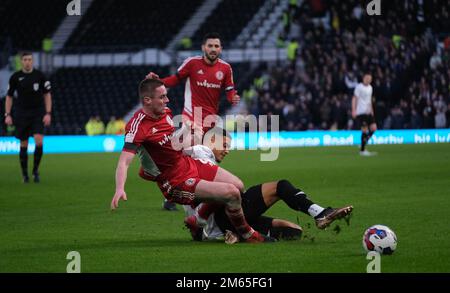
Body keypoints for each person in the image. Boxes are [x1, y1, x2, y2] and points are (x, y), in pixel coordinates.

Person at [110, 78, 272, 243]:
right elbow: (124, 161)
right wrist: (120, 188)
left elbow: (171, 143)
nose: (167, 100)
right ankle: (248, 234)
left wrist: (187, 130)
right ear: (147, 100)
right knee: (231, 193)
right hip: (175, 181)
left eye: (166, 96)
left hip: (187, 163)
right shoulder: (137, 127)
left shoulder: (165, 112)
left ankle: (198, 219)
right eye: (162, 97)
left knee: (238, 185)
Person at [182, 127, 354, 243]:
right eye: (225, 145)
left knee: (294, 231)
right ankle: (321, 213)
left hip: (216, 226)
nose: (227, 150)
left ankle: (236, 235)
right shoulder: (200, 153)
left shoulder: (198, 159)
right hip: (221, 218)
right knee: (281, 186)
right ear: (212, 139)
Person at [146, 32, 240, 211]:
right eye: (210, 45)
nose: (213, 49)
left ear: (221, 49)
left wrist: (232, 97)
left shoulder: (226, 68)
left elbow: (230, 90)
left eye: (216, 46)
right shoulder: (192, 63)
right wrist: (157, 82)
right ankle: (172, 198)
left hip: (211, 120)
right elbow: (174, 80)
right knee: (184, 157)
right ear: (203, 47)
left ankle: (203, 195)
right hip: (191, 118)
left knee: (210, 159)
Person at [4, 52, 52, 183]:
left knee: (39, 141)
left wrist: (48, 113)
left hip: (38, 112)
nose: (27, 62)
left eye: (29, 59)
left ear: (33, 61)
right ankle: (25, 174)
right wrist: (7, 114)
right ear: (21, 61)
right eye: (25, 59)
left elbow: (47, 94)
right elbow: (9, 96)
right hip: (21, 114)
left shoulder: (40, 76)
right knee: (23, 143)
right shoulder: (15, 77)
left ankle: (35, 171)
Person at [352, 73, 377, 156]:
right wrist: (353, 110)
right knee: (365, 130)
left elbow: (369, 100)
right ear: (363, 78)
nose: (368, 80)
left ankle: (363, 142)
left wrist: (372, 110)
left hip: (368, 112)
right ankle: (362, 151)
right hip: (361, 112)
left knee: (373, 128)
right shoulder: (359, 87)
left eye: (369, 78)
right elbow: (354, 98)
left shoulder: (370, 88)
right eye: (366, 78)